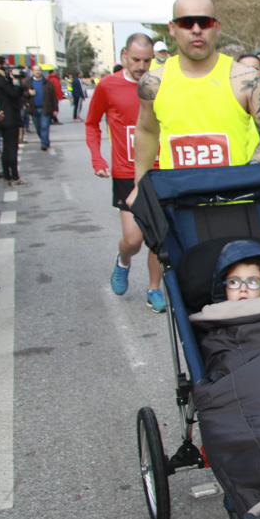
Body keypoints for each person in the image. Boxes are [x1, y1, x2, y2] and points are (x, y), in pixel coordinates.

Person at [129, 0, 260, 203]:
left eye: (204, 22)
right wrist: (140, 186)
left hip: (235, 204)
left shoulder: (245, 79)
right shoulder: (152, 83)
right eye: (187, 22)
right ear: (172, 28)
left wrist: (248, 174)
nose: (196, 30)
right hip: (176, 204)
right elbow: (146, 131)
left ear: (217, 27)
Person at [87, 33, 167, 312]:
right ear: (123, 56)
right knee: (133, 239)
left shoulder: (160, 83)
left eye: (147, 60)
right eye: (136, 60)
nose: (142, 66)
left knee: (159, 238)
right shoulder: (108, 86)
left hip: (159, 171)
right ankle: (123, 262)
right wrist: (98, 159)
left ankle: (154, 289)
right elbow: (92, 123)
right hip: (125, 172)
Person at [0, 58, 28, 185]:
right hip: (8, 117)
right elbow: (13, 93)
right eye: (6, 65)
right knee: (11, 147)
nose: (8, 68)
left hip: (3, 116)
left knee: (6, 149)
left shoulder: (2, 80)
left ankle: (7, 177)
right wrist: (17, 82)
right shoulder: (0, 80)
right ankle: (14, 177)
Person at [28, 64, 56, 151]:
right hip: (33, 109)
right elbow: (22, 94)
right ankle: (45, 140)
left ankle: (44, 143)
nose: (37, 72)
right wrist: (28, 93)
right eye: (36, 70)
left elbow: (53, 96)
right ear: (33, 71)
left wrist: (55, 109)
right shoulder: (28, 82)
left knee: (44, 126)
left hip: (45, 108)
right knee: (38, 128)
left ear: (41, 71)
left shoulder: (47, 82)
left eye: (39, 70)